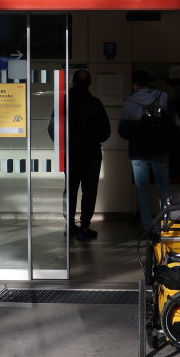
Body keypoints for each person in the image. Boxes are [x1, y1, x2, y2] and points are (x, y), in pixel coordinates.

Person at [49, 69, 111, 241]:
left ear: (73, 82)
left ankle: (69, 225)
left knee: (70, 189)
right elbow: (106, 131)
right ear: (89, 83)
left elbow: (52, 128)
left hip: (70, 153)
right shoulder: (95, 103)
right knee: (89, 191)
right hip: (91, 154)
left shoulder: (63, 102)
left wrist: (65, 143)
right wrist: (91, 138)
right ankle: (85, 226)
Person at [118, 70, 178, 232]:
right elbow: (175, 124)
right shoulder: (163, 97)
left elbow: (123, 131)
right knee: (164, 187)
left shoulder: (130, 101)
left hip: (138, 152)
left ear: (134, 84)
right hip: (160, 150)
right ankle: (167, 223)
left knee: (142, 189)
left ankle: (147, 225)